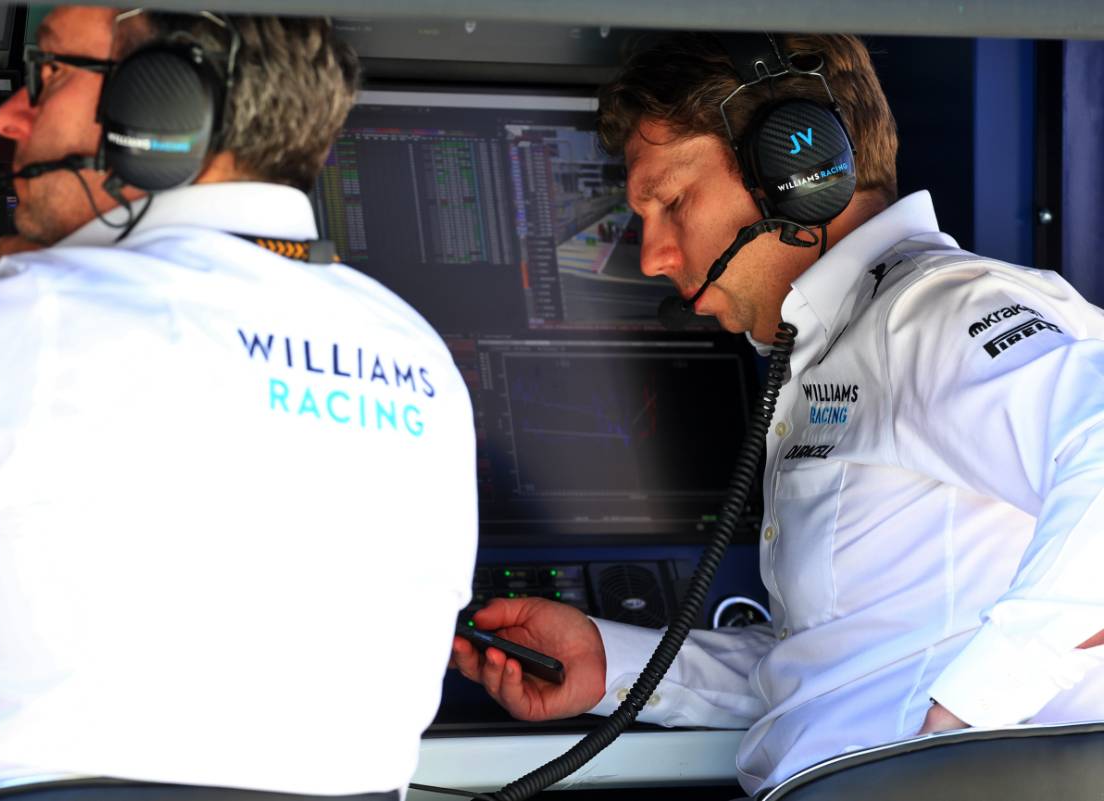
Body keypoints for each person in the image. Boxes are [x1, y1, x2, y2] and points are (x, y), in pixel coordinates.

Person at [451, 31, 1104, 796]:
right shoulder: (838, 347)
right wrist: (615, 664)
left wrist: (955, 735)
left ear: (797, 171)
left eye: (671, 202)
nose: (654, 255)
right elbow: (838, 670)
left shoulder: (939, 312)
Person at [0, 7, 477, 801]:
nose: (11, 114)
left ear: (164, 107)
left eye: (51, 74)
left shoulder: (7, 333)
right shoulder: (426, 363)